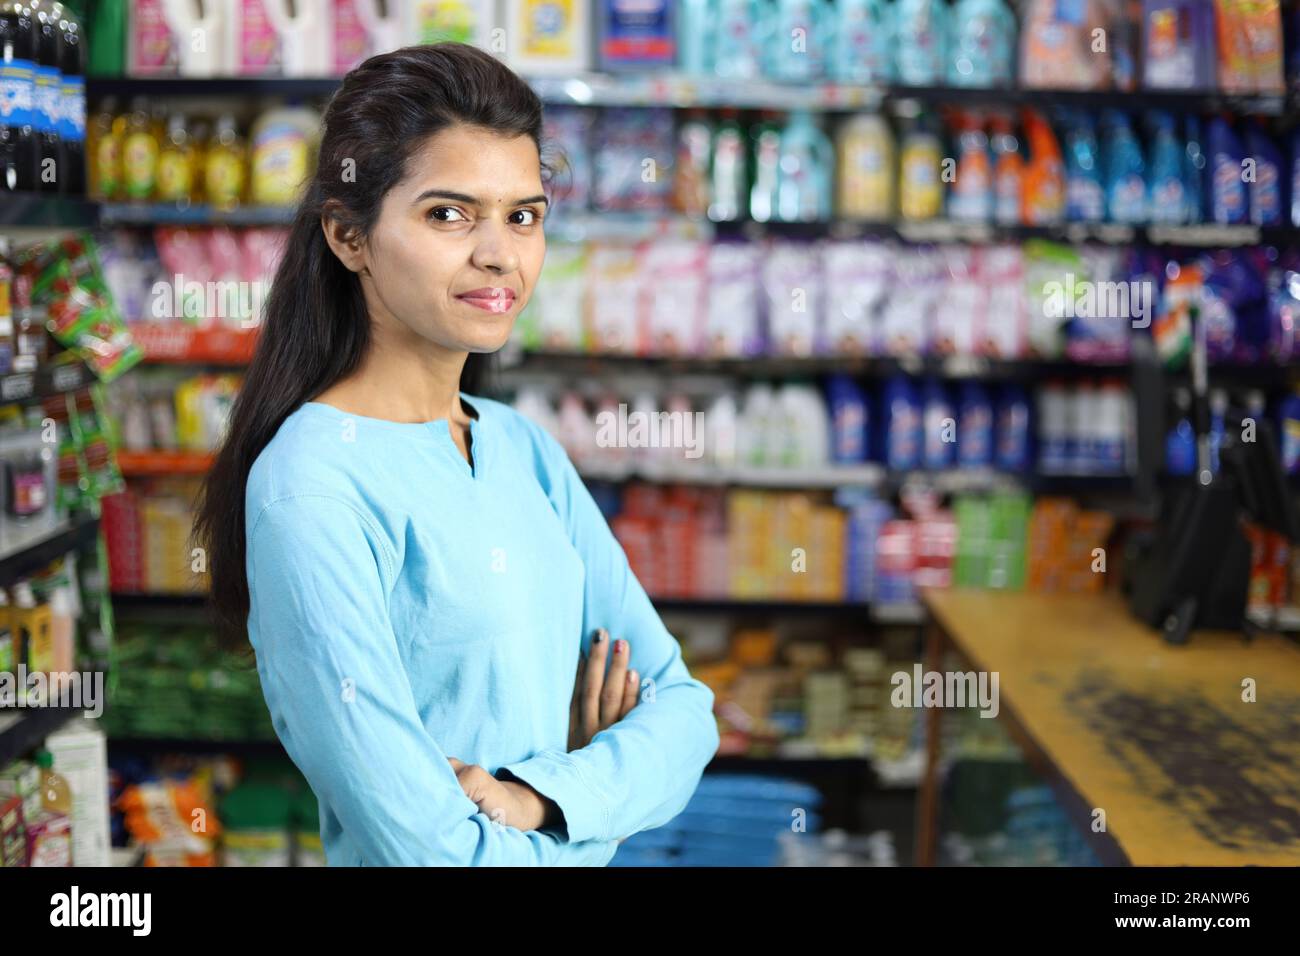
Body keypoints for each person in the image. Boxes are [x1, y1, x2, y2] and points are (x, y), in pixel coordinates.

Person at [192, 42, 720, 866]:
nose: (500, 254)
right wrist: (598, 808)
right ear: (348, 235)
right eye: (448, 214)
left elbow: (685, 713)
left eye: (524, 215)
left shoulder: (521, 448)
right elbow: (432, 853)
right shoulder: (311, 490)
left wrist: (539, 794)